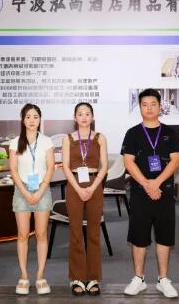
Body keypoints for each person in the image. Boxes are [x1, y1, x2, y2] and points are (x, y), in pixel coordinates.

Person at [121, 88, 179, 299]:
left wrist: (157, 183)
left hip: (164, 191)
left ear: (159, 106)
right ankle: (138, 279)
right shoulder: (132, 133)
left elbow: (175, 160)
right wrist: (147, 185)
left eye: (153, 104)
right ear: (139, 107)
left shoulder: (169, 132)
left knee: (164, 236)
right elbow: (128, 162)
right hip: (140, 192)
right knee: (139, 237)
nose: (149, 108)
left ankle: (163, 279)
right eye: (145, 104)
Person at [62, 102, 108, 296]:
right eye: (80, 114)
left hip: (94, 184)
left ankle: (93, 277)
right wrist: (79, 189)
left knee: (94, 233)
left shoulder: (100, 138)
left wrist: (92, 187)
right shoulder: (67, 138)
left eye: (87, 113)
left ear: (92, 117)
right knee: (75, 233)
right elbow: (65, 167)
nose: (84, 117)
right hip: (74, 186)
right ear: (75, 118)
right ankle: (77, 277)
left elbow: (104, 166)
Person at [8, 103, 55, 296]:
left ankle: (41, 276)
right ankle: (24, 276)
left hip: (42, 189)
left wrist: (40, 190)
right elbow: (13, 170)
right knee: (22, 234)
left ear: (40, 119)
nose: (32, 120)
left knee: (42, 234)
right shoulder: (14, 143)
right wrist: (26, 193)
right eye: (28, 117)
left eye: (35, 117)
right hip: (22, 190)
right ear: (22, 120)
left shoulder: (47, 142)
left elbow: (51, 167)